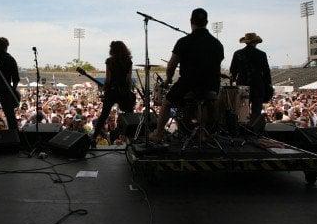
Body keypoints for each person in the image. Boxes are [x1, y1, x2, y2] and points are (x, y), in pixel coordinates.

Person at [150, 8, 224, 142]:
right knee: (206, 102)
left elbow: (171, 65)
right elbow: (217, 70)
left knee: (167, 102)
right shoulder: (217, 44)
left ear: (191, 22)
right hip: (211, 85)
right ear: (206, 22)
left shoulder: (184, 41)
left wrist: (168, 79)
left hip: (189, 83)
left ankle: (159, 134)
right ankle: (203, 133)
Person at [92, 41, 136, 144]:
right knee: (129, 114)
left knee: (104, 115)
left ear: (112, 50)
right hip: (124, 91)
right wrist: (128, 92)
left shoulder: (109, 61)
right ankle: (132, 139)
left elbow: (108, 79)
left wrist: (106, 89)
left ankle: (93, 137)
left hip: (112, 90)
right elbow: (128, 79)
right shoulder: (128, 61)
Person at [230, 32, 272, 120]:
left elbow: (233, 71)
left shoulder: (238, 53)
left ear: (246, 42)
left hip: (242, 86)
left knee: (242, 112)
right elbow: (266, 72)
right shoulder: (261, 54)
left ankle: (243, 131)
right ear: (256, 42)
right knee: (256, 112)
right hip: (257, 86)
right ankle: (255, 131)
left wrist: (233, 82)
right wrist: (268, 86)